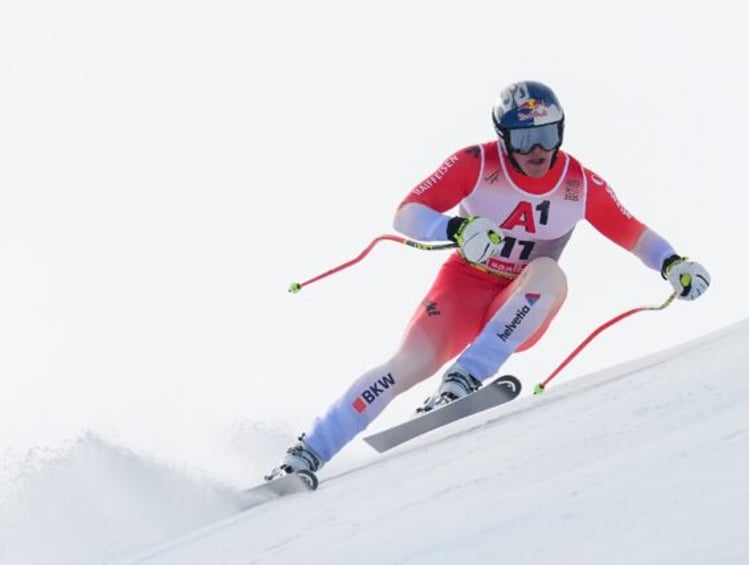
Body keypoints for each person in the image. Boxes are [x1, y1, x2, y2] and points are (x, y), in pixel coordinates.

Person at [265, 80, 710, 480]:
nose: (538, 150)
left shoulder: (579, 183)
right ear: (504, 138)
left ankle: (464, 379)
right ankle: (305, 454)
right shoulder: (476, 163)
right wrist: (453, 229)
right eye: (524, 139)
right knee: (403, 367)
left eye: (548, 135)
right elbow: (407, 213)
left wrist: (673, 263)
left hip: (520, 305)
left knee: (549, 274)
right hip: (461, 290)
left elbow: (631, 231)